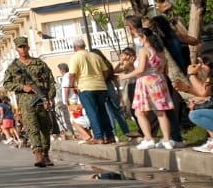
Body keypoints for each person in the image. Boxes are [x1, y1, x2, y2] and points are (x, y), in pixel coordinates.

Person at [117, 20, 180, 150]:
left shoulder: (143, 51)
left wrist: (125, 76)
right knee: (161, 112)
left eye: (138, 37)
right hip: (159, 80)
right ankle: (167, 140)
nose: (137, 39)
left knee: (139, 112)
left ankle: (148, 138)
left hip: (145, 82)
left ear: (144, 37)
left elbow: (140, 70)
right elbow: (164, 69)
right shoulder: (160, 51)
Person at [3, 37, 58, 166]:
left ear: (28, 47)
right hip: (26, 103)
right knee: (32, 128)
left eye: (24, 47)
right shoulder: (13, 67)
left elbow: (51, 81)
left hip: (42, 100)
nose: (22, 49)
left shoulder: (39, 63)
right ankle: (38, 154)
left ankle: (45, 153)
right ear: (16, 49)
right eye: (20, 47)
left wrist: (50, 98)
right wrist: (23, 87)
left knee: (45, 128)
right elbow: (7, 84)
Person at [68, 37, 116, 143]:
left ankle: (98, 137)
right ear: (84, 46)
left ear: (75, 48)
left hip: (85, 88)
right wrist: (101, 80)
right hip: (100, 87)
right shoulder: (95, 56)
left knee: (92, 112)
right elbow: (105, 71)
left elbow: (72, 74)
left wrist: (72, 86)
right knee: (103, 111)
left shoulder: (75, 57)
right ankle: (110, 135)